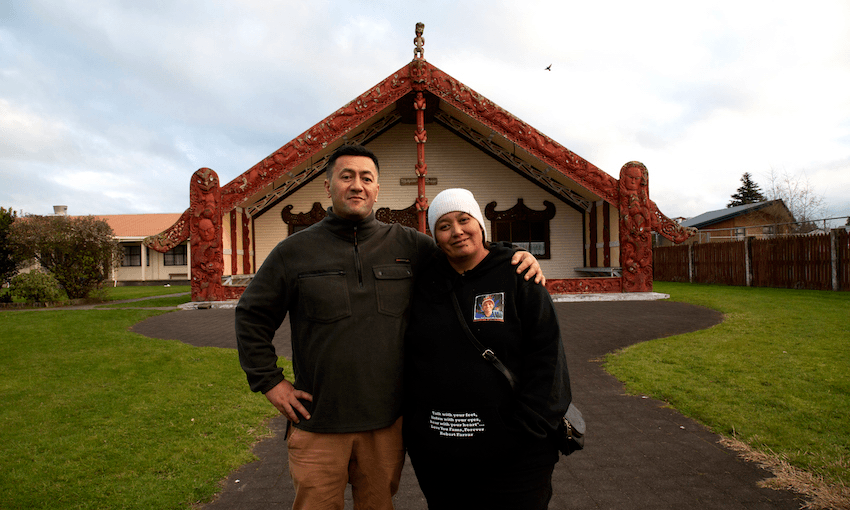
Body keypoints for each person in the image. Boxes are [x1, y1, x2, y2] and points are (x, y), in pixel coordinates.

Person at [235, 145, 543, 510]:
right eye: (346, 176)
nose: (357, 185)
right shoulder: (293, 252)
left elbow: (462, 249)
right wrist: (270, 382)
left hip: (385, 425)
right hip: (318, 422)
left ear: (377, 189)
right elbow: (251, 315)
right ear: (328, 186)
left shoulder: (408, 245)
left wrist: (511, 254)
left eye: (366, 178)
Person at [403, 188, 571, 510]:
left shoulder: (517, 273)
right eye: (444, 226)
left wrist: (526, 431)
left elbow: (547, 357)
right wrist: (418, 431)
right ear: (435, 237)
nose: (457, 231)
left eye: (464, 220)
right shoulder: (424, 283)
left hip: (516, 454)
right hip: (442, 455)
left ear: (480, 224)